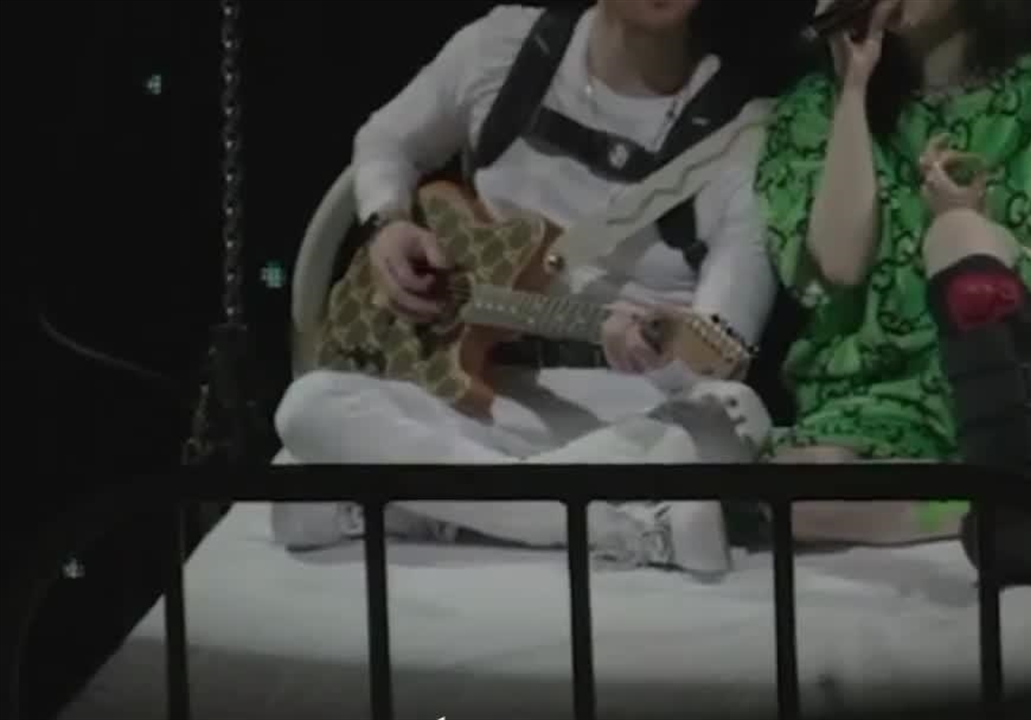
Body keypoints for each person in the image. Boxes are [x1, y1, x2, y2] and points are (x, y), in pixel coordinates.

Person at [271, 0, 779, 577]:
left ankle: (420, 506)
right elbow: (386, 139)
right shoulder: (504, 48)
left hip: (623, 413)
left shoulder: (744, 136)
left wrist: (657, 346)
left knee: (727, 419)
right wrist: (388, 223)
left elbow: (720, 343)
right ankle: (612, 527)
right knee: (310, 406)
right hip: (470, 396)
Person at [755, 0, 1031, 585]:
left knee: (959, 235)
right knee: (792, 492)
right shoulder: (815, 109)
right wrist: (853, 90)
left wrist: (992, 248)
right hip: (893, 386)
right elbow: (837, 265)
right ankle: (1010, 507)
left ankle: (1029, 480)